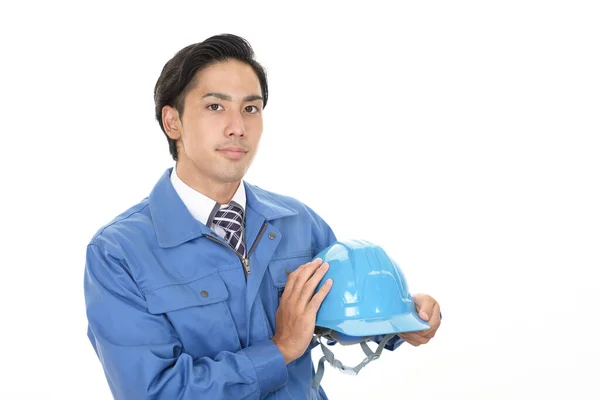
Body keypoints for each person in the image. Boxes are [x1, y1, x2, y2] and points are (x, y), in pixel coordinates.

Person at [83, 33, 442, 400]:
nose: (238, 127)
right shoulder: (118, 253)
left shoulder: (298, 223)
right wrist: (280, 349)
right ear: (172, 122)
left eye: (251, 109)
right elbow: (153, 392)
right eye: (215, 107)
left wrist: (400, 320)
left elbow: (340, 315)